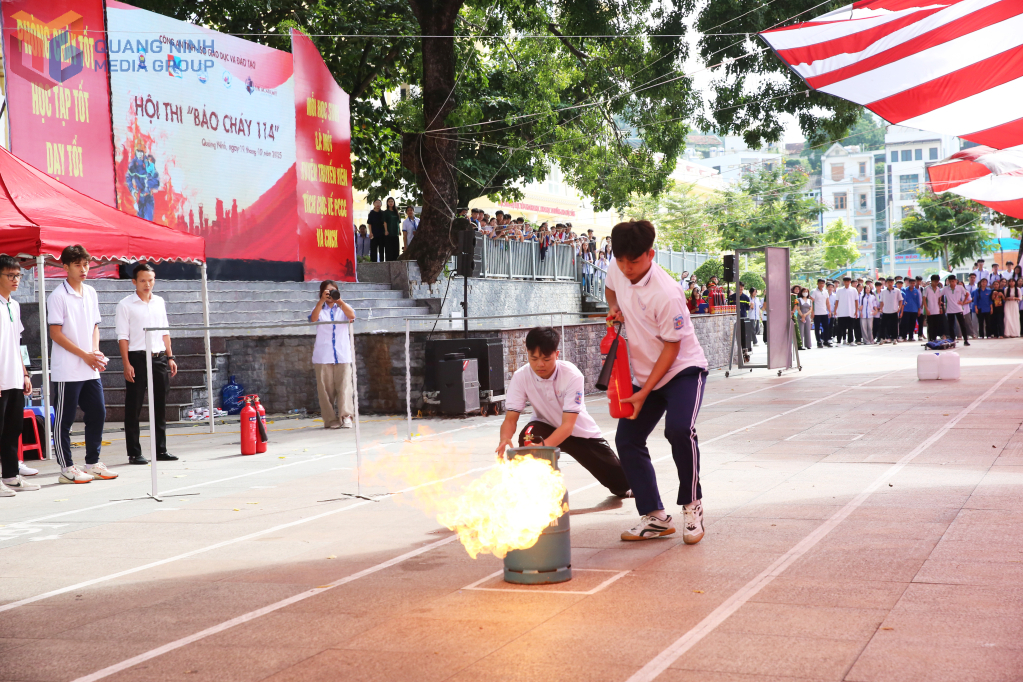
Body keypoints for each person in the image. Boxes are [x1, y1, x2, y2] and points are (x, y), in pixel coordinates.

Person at [604, 220, 708, 544]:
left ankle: (692, 506)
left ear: (650, 254)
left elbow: (672, 348)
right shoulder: (617, 268)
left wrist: (644, 392)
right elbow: (610, 287)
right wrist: (614, 307)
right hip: (644, 373)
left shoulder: (667, 293)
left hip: (682, 371)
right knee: (627, 439)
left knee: (678, 430)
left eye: (633, 261)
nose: (626, 268)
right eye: (620, 260)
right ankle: (655, 517)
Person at [498, 327, 632, 497]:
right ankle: (539, 493)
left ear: (557, 354)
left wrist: (544, 447)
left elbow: (568, 425)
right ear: (528, 354)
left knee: (621, 485)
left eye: (546, 359)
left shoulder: (572, 375)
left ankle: (623, 482)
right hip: (544, 426)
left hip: (579, 433)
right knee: (528, 437)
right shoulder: (520, 376)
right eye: (534, 358)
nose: (540, 364)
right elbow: (510, 419)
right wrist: (504, 438)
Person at [48, 245, 112, 484]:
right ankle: (66, 468)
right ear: (65, 267)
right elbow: (55, 333)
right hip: (67, 369)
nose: (84, 269)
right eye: (78, 265)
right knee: (64, 419)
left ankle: (93, 462)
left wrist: (94, 352)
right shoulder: (57, 296)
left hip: (89, 367)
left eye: (86, 264)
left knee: (98, 412)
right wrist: (84, 355)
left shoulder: (91, 292)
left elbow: (95, 325)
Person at [116, 263, 180, 465]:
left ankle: (161, 449)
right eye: (143, 280)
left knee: (160, 406)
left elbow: (165, 331)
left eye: (150, 280)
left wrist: (170, 357)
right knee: (133, 407)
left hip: (159, 357)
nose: (147, 284)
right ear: (134, 282)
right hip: (136, 358)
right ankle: (134, 452)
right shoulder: (125, 305)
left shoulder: (159, 302)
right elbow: (122, 337)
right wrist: (126, 364)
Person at [0, 256, 40, 496]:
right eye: (10, 276)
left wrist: (25, 373)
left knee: (12, 429)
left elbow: (17, 342)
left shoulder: (14, 305)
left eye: (18, 276)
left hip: (14, 376)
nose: (16, 280)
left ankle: (11, 476)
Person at [310, 280, 356, 429]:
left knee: (345, 387)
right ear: (322, 292)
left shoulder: (343, 308)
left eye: (333, 291)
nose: (330, 294)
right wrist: (322, 301)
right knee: (325, 390)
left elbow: (351, 316)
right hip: (323, 355)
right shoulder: (319, 309)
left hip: (342, 354)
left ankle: (346, 416)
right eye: (327, 292)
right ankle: (330, 420)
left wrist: (339, 301)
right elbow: (313, 319)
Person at [942, 275, 972, 346]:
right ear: (948, 281)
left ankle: (965, 340)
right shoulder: (945, 289)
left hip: (958, 309)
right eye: (950, 281)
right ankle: (952, 340)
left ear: (956, 281)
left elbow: (967, 294)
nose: (952, 283)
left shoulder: (960, 287)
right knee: (951, 326)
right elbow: (939, 294)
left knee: (962, 325)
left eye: (953, 281)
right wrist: (940, 302)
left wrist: (963, 302)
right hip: (950, 310)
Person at [878, 277, 903, 345]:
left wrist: (899, 307)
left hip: (894, 311)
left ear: (893, 283)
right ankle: (882, 339)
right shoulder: (883, 291)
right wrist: (881, 308)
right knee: (882, 326)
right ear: (886, 283)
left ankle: (894, 339)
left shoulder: (897, 290)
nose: (890, 283)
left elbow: (900, 300)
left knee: (894, 326)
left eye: (891, 282)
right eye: (888, 282)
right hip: (885, 311)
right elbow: (881, 301)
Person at [834, 276, 858, 345]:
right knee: (840, 328)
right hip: (841, 312)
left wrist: (856, 311)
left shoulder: (854, 290)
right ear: (843, 282)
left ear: (850, 282)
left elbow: (856, 301)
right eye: (845, 281)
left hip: (850, 311)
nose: (847, 283)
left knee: (850, 328)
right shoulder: (839, 290)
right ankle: (838, 341)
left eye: (848, 281)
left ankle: (851, 341)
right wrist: (835, 310)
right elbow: (837, 301)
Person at [921, 274, 946, 341]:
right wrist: (926, 309)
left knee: (936, 325)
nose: (936, 283)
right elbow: (924, 299)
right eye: (935, 281)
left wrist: (940, 308)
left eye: (937, 281)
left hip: (937, 310)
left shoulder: (938, 289)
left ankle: (934, 338)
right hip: (930, 310)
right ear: (932, 281)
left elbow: (939, 299)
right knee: (930, 325)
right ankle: (930, 339)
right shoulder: (926, 289)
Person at [810, 279, 832, 348]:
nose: (821, 284)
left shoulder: (825, 292)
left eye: (823, 283)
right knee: (817, 328)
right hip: (817, 313)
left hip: (824, 312)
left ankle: (825, 341)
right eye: (820, 283)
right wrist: (812, 312)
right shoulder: (814, 291)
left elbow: (827, 302)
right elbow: (811, 302)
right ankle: (818, 341)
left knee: (826, 327)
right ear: (817, 283)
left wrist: (829, 311)